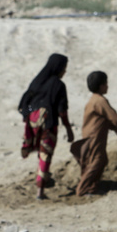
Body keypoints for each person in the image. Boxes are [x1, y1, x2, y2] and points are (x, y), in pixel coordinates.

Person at [71, 70, 117, 196]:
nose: (107, 86)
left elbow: (106, 120)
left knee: (96, 161)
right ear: (101, 85)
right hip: (94, 137)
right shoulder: (100, 101)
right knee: (98, 160)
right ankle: (83, 189)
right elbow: (115, 118)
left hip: (91, 136)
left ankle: (92, 187)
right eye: (106, 83)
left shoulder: (93, 100)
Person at [18, 53, 75, 200]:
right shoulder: (59, 85)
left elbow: (25, 102)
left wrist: (30, 116)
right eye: (64, 68)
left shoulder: (37, 81)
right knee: (45, 155)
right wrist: (68, 129)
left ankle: (43, 177)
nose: (65, 71)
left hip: (32, 124)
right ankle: (40, 191)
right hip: (49, 124)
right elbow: (62, 111)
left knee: (41, 153)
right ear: (58, 68)